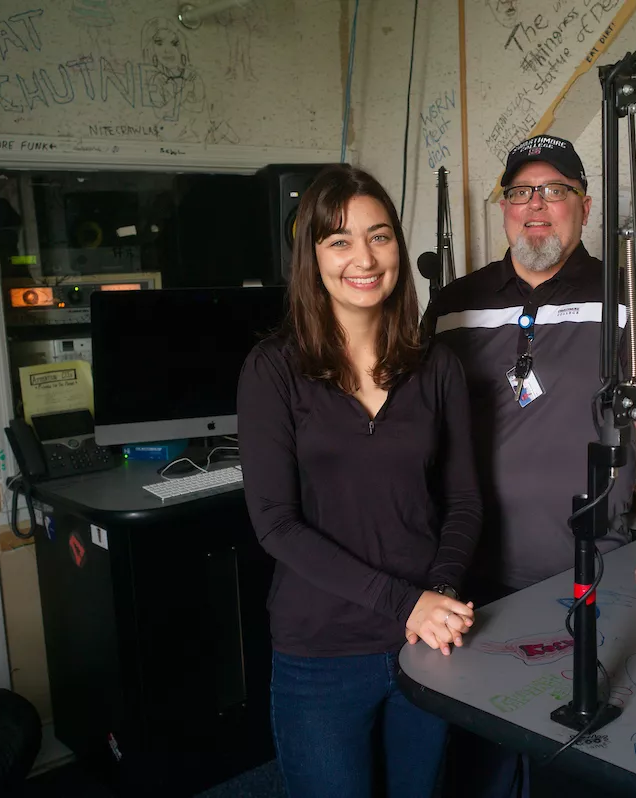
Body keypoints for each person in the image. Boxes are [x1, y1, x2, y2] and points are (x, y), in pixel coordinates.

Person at [427, 135, 636, 797]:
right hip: (470, 578)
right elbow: (420, 431)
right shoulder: (451, 307)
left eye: (555, 190)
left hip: (585, 577)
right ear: (504, 208)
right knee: (475, 757)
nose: (536, 206)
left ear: (583, 206)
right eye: (521, 191)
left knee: (575, 756)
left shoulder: (625, 300)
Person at [237, 164, 483, 798]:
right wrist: (409, 603)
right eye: (339, 240)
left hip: (424, 643)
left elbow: (462, 503)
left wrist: (439, 599)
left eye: (380, 236)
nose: (364, 258)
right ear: (311, 257)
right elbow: (275, 523)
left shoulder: (438, 368)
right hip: (321, 652)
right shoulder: (273, 370)